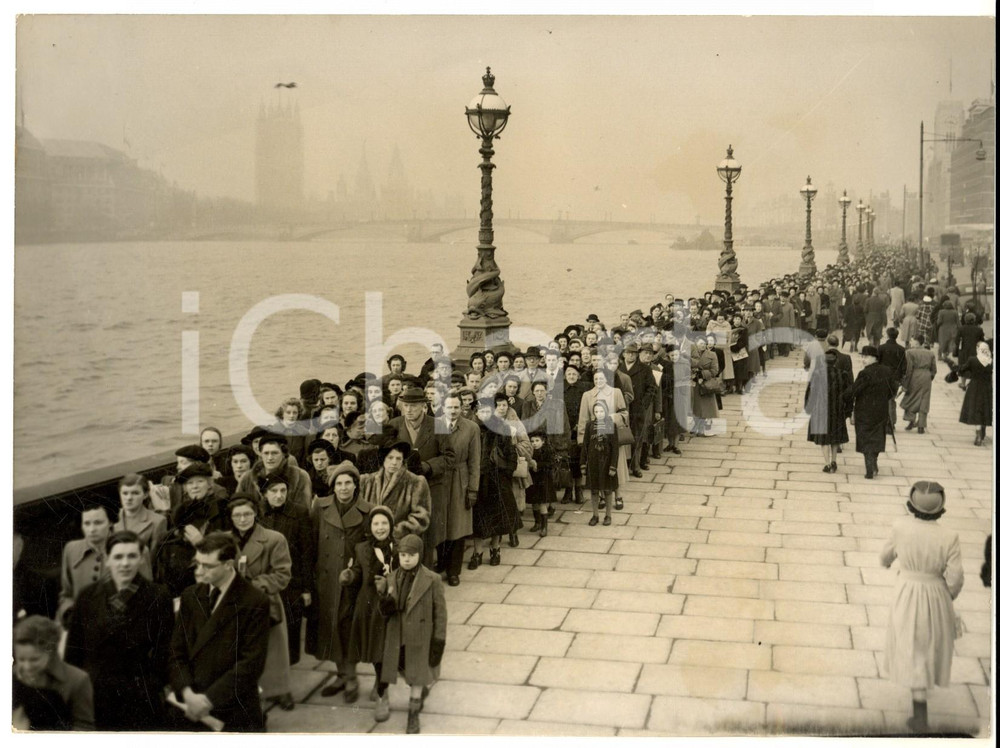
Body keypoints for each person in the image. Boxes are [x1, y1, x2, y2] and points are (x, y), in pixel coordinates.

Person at [64, 530, 174, 730]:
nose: (125, 563)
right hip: (95, 695)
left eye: (132, 556)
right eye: (118, 556)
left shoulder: (159, 596)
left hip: (140, 698)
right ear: (107, 559)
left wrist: (151, 686)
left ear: (141, 559)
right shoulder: (87, 596)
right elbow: (74, 650)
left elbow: (164, 650)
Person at [879, 482, 964, 735]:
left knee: (911, 645)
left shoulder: (900, 528)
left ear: (911, 504)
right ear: (941, 507)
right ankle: (922, 701)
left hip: (907, 592)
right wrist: (948, 595)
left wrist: (893, 563)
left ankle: (920, 715)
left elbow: (885, 557)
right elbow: (956, 576)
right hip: (936, 593)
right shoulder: (949, 537)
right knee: (928, 645)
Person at [168, 532, 270, 732]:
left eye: (207, 566)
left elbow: (251, 663)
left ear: (228, 564)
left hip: (232, 709)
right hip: (191, 704)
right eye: (197, 563)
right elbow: (175, 651)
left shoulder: (254, 601)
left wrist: (208, 700)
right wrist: (188, 694)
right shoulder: (190, 596)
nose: (199, 571)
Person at [227, 495, 294, 711]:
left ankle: (280, 690)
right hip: (234, 603)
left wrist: (252, 586)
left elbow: (282, 575)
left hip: (264, 601)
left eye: (247, 513)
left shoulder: (274, 539)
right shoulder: (225, 540)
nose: (243, 519)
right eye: (237, 515)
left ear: (256, 513)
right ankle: (249, 692)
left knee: (274, 651)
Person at [310, 461, 369, 703]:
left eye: (348, 483)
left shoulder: (368, 511)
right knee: (329, 627)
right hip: (325, 579)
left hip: (351, 581)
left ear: (356, 485)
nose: (344, 488)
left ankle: (351, 676)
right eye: (339, 484)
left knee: (348, 628)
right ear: (333, 487)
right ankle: (340, 674)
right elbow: (311, 542)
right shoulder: (320, 507)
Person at [376, 534, 447, 735]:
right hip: (397, 637)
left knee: (417, 676)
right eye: (403, 555)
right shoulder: (391, 577)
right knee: (401, 669)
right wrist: (385, 605)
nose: (406, 559)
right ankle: (408, 696)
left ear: (420, 555)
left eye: (411, 555)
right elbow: (384, 612)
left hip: (420, 638)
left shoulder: (432, 580)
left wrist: (439, 640)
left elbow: (440, 613)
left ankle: (413, 714)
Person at [388, 385, 455, 565]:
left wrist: (427, 466)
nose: (409, 410)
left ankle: (425, 575)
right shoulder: (394, 425)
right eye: (405, 406)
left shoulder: (437, 425)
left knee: (427, 534)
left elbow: (449, 457)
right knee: (403, 532)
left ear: (423, 406)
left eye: (413, 406)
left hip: (430, 487)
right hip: (402, 489)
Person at [342, 506, 397, 720]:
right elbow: (357, 571)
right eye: (376, 524)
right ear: (370, 526)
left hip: (390, 604)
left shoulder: (398, 548)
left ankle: (387, 692)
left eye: (384, 523)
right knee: (376, 649)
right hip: (368, 605)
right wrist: (349, 576)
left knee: (389, 650)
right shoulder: (362, 548)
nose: (380, 528)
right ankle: (381, 685)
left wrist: (390, 584)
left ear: (391, 526)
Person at [257, 471, 316, 666]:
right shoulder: (257, 514)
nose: (279, 495)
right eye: (274, 491)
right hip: (264, 582)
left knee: (291, 627)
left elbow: (307, 552)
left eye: (283, 490)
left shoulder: (298, 513)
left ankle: (287, 674)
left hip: (292, 582)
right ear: (265, 493)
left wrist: (307, 588)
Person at [155, 462, 230, 598]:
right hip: (183, 582)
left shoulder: (222, 508)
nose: (195, 486)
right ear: (185, 488)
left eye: (200, 481)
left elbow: (228, 549)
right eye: (190, 483)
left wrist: (201, 543)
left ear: (209, 484)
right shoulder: (181, 511)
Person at [13, 615, 94, 731]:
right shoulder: (10, 676)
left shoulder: (78, 680)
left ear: (50, 653)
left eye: (34, 659)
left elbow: (84, 728)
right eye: (21, 659)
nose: (27, 666)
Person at [469, 396, 522, 568]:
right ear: (476, 413)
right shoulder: (471, 429)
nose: (484, 414)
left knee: (497, 515)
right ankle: (477, 551)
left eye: (487, 411)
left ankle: (495, 548)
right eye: (480, 411)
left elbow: (511, 455)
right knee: (478, 517)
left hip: (497, 479)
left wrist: (506, 472)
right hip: (477, 480)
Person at [438, 394, 480, 586]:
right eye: (449, 407)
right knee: (440, 524)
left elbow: (474, 461)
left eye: (456, 407)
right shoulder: (435, 425)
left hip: (460, 480)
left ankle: (454, 571)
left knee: (457, 526)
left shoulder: (471, 428)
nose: (453, 411)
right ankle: (440, 565)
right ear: (443, 408)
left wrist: (472, 489)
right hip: (438, 480)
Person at [57, 502, 113, 626]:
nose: (92, 529)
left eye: (98, 523)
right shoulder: (71, 549)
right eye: (87, 523)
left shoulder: (128, 547)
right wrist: (70, 613)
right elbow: (66, 594)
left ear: (110, 523)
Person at [850, 346, 895, 479]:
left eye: (865, 357)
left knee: (865, 438)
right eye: (862, 357)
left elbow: (854, 390)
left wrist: (844, 397)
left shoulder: (865, 374)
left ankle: (870, 466)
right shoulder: (887, 371)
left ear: (874, 358)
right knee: (877, 438)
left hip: (864, 411)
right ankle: (873, 462)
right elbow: (893, 390)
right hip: (881, 410)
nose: (863, 360)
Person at [236, 433, 313, 509]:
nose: (270, 458)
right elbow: (239, 508)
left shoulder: (300, 476)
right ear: (260, 454)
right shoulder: (247, 478)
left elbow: (304, 510)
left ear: (283, 454)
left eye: (274, 453)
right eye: (266, 453)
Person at [113, 473, 167, 581]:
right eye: (125, 493)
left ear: (146, 495)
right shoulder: (112, 520)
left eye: (135, 493)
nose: (129, 498)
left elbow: (153, 562)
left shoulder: (157, 521)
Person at [804, 349, 850, 473]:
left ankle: (827, 463)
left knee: (824, 439)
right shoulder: (842, 374)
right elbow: (847, 394)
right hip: (837, 410)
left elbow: (810, 393)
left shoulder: (817, 374)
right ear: (835, 362)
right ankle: (834, 460)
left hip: (821, 411)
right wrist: (847, 409)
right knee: (835, 438)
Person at [581, 400, 619, 527]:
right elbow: (585, 445)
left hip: (607, 463)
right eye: (596, 411)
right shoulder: (589, 426)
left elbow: (615, 448)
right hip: (593, 463)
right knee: (594, 490)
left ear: (606, 411)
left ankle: (608, 515)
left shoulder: (612, 425)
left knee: (608, 489)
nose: (599, 414)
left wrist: (613, 465)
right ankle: (595, 515)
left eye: (602, 411)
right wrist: (583, 463)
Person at [957, 340, 992, 446]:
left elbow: (962, 370)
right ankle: (982, 433)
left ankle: (978, 434)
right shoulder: (991, 361)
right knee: (984, 409)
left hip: (975, 387)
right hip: (987, 388)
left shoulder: (973, 360)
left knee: (976, 409)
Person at [901, 334, 937, 434]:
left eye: (912, 340)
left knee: (911, 397)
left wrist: (905, 383)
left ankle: (911, 421)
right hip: (926, 377)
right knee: (924, 400)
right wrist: (930, 377)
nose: (911, 342)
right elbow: (934, 369)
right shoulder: (930, 353)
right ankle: (921, 425)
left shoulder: (910, 352)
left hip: (914, 376)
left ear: (916, 342)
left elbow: (909, 369)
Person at [525, 429, 555, 537]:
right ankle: (537, 522)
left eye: (537, 441)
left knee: (542, 503)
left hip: (543, 480)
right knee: (534, 503)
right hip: (533, 480)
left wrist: (538, 465)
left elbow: (550, 463)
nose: (534, 443)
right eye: (532, 441)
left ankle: (544, 526)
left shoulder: (547, 451)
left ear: (543, 441)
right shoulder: (529, 452)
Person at [955, 313, 985, 389]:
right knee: (974, 366)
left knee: (963, 365)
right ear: (974, 320)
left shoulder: (961, 329)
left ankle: (963, 383)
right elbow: (982, 341)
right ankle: (972, 384)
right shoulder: (979, 329)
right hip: (975, 351)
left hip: (964, 351)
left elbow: (956, 340)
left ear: (965, 320)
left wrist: (959, 347)